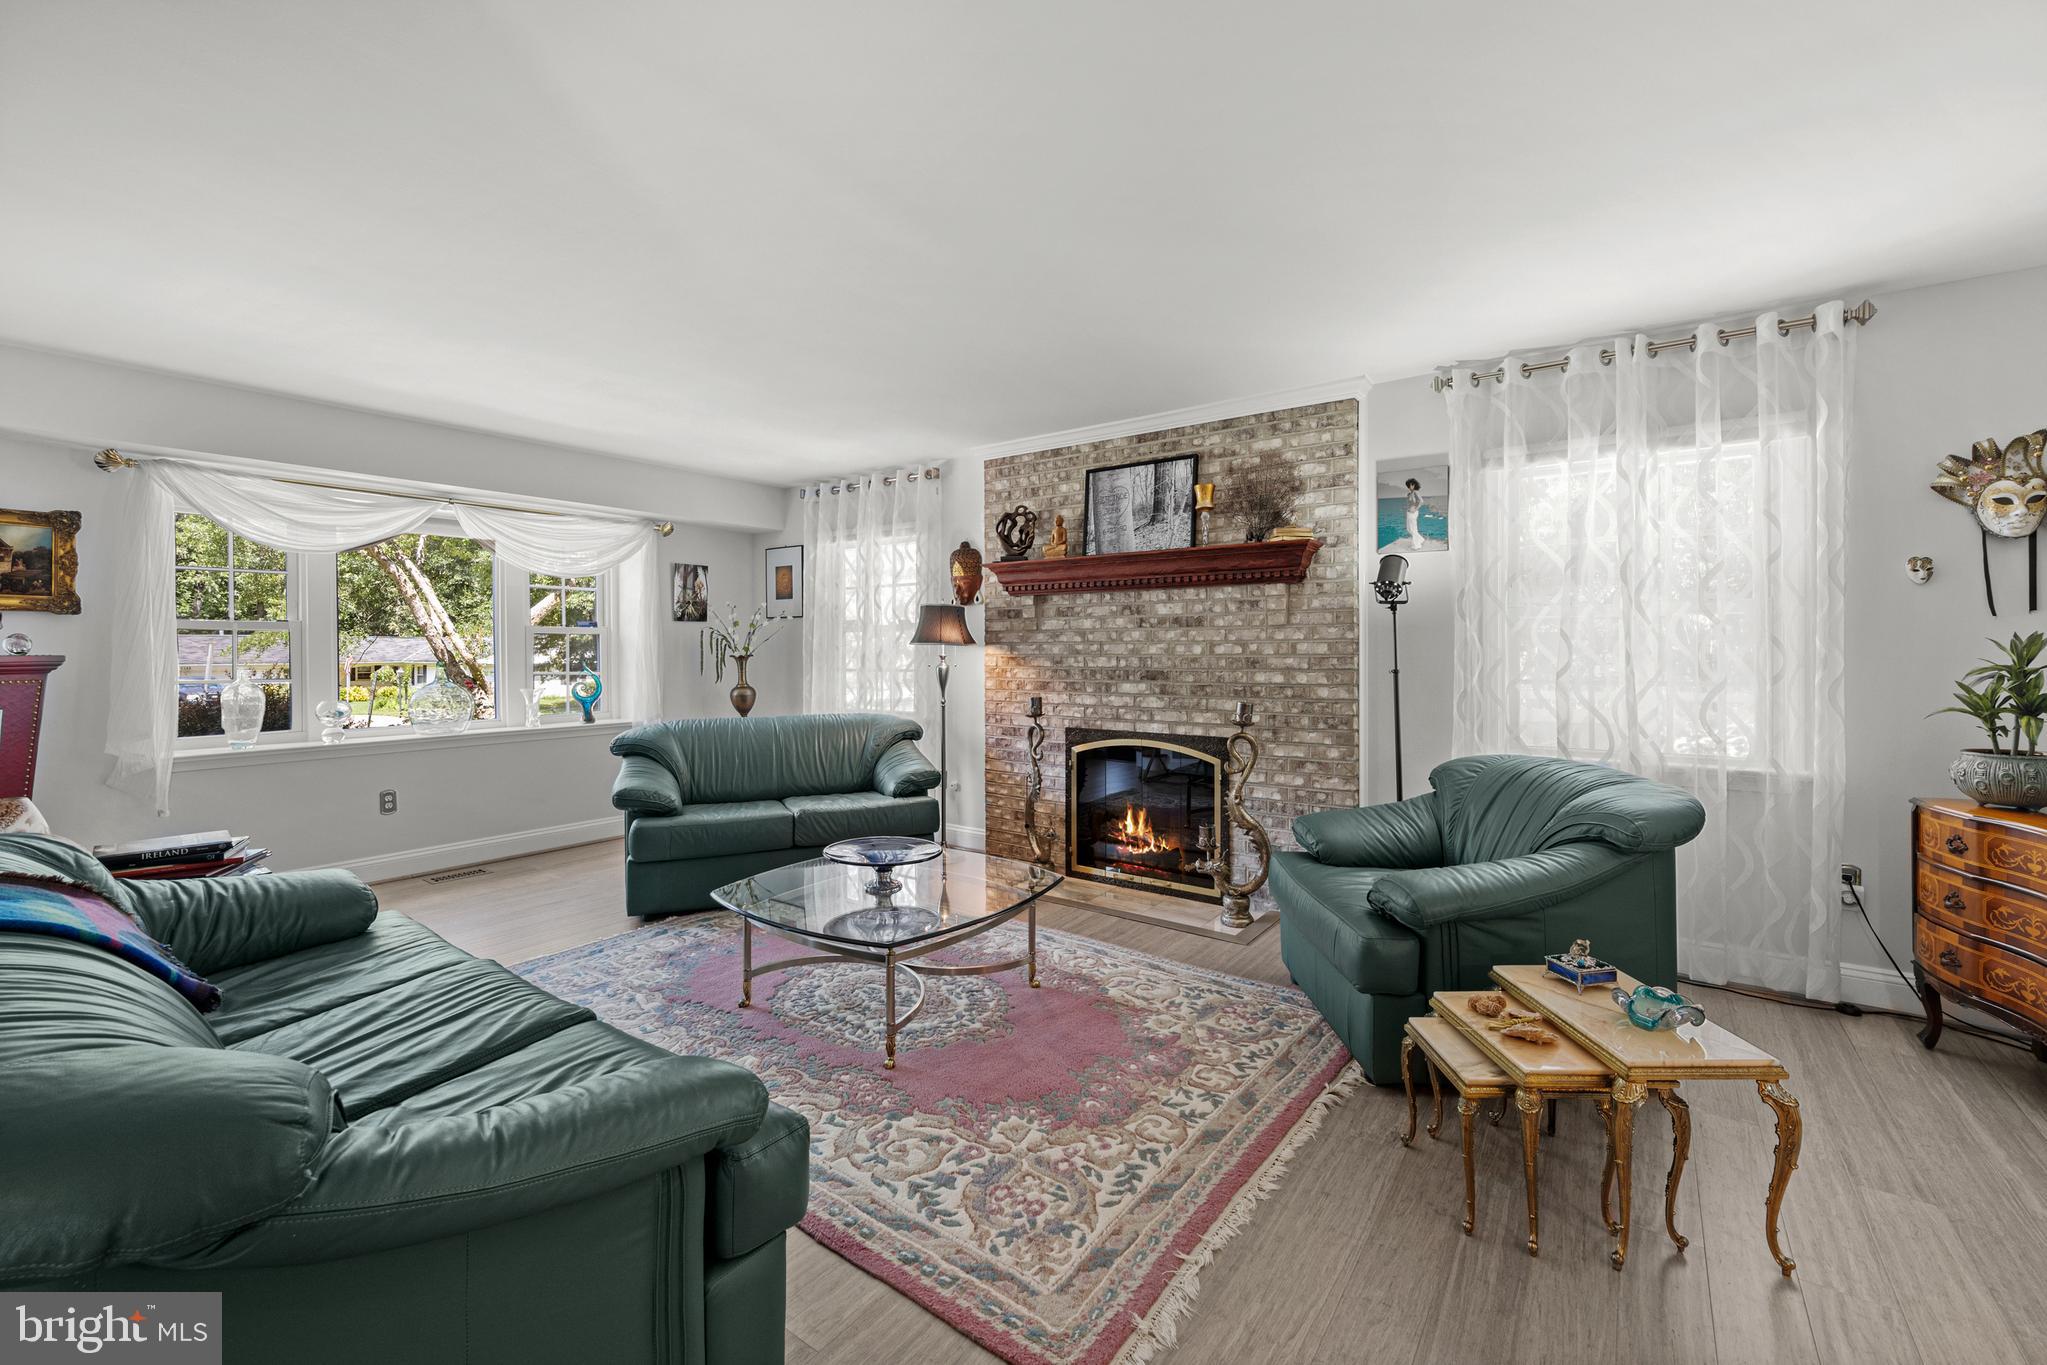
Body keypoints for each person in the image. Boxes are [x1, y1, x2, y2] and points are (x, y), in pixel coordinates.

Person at [1404, 478, 1424, 550]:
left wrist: (1415, 509)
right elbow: (1410, 503)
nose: (1409, 487)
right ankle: (1420, 539)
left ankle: (1417, 545)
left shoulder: (1415, 492)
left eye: (1410, 485)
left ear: (1414, 485)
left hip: (1413, 513)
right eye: (1408, 486)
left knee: (1413, 529)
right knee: (1409, 529)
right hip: (1409, 513)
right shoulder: (1410, 493)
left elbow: (1421, 501)